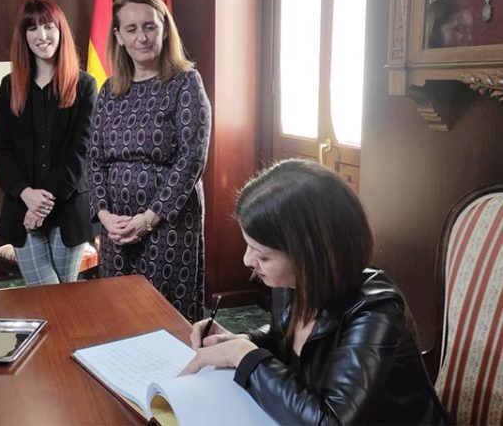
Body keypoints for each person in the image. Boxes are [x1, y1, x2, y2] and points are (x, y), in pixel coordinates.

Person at [180, 160, 451, 425]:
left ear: (309, 256)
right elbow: (289, 339)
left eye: (263, 256)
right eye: (249, 246)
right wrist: (240, 340)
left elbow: (332, 420)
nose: (247, 261)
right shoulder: (296, 282)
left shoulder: (376, 310)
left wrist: (244, 355)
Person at [88, 0, 211, 322]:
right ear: (119, 36)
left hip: (168, 223)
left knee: (165, 313)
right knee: (120, 310)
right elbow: (95, 158)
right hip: (118, 226)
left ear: (164, 29)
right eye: (131, 29)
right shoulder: (109, 91)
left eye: (150, 26)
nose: (141, 37)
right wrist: (103, 215)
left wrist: (148, 219)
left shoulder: (185, 82)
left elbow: (191, 160)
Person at [0, 0, 97, 286]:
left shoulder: (85, 85)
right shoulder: (8, 85)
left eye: (48, 26)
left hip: (68, 211)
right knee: (47, 292)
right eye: (33, 28)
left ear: (61, 30)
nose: (41, 36)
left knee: (60, 296)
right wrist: (26, 195)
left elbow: (83, 152)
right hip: (21, 209)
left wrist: (42, 203)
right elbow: (2, 151)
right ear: (23, 36)